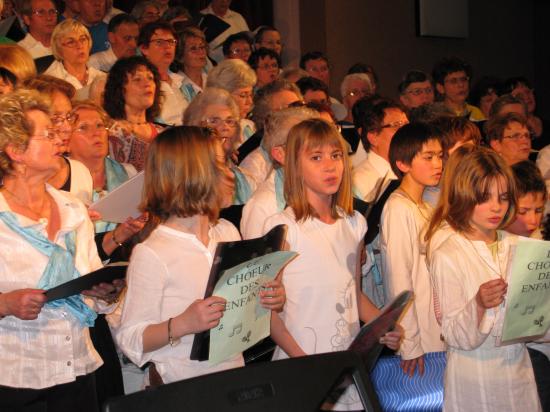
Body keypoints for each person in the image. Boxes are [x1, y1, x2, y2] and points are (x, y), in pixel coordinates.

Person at [116, 126, 284, 384]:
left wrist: (267, 299)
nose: (230, 173)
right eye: (219, 164)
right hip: (180, 386)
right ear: (191, 174)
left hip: (232, 377)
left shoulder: (227, 232)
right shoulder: (153, 252)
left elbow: (241, 315)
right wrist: (183, 323)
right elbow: (131, 338)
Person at [263, 118, 401, 411]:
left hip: (345, 366)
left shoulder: (354, 223)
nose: (330, 166)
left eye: (336, 155)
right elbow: (267, 315)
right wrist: (308, 366)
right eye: (316, 157)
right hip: (303, 364)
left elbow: (353, 293)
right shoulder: (283, 228)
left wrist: (383, 324)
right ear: (294, 165)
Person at [0, 88, 123, 411]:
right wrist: (5, 304)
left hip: (77, 367)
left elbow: (90, 283)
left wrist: (106, 292)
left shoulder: (73, 209)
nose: (61, 139)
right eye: (48, 134)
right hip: (15, 376)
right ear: (15, 150)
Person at [425, 147, 541, 411]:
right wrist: (478, 305)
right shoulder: (449, 253)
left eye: (502, 197)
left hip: (517, 372)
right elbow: (453, 333)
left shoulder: (518, 246)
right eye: (484, 198)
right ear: (464, 195)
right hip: (474, 375)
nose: (497, 207)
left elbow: (538, 328)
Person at [380, 123, 445, 376]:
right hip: (419, 336)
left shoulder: (426, 206)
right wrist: (409, 343)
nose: (437, 164)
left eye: (440, 156)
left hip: (436, 325)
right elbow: (399, 279)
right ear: (403, 164)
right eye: (428, 157)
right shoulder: (398, 208)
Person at [240, 106, 320, 239]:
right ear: (280, 154)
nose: (317, 151)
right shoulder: (262, 206)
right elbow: (260, 259)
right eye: (304, 144)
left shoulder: (322, 189)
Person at [183, 87, 255, 205]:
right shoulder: (187, 178)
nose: (225, 127)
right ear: (194, 127)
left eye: (230, 121)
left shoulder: (244, 178)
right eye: (214, 121)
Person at [104, 56, 163, 172]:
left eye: (150, 78)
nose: (147, 84)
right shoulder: (111, 132)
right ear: (120, 89)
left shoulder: (162, 133)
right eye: (137, 79)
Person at [239, 80, 303, 185]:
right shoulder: (254, 165)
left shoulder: (311, 150)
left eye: (300, 106)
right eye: (291, 108)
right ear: (267, 120)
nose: (300, 113)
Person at [138, 21, 187, 126]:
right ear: (144, 49)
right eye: (159, 42)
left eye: (171, 41)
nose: (167, 46)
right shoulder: (140, 84)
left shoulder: (182, 82)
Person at [45, 19, 106, 100]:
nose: (79, 46)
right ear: (59, 49)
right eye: (71, 42)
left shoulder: (101, 77)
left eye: (83, 39)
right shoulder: (50, 82)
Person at [206, 58, 257, 145]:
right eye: (243, 95)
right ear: (223, 96)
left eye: (250, 95)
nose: (250, 102)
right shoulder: (209, 133)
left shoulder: (248, 126)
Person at [432, 56, 485, 121]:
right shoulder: (435, 115)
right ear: (440, 88)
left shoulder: (476, 113)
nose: (461, 85)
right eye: (453, 81)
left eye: (463, 79)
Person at [502, 76, 548, 151]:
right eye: (519, 96)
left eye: (528, 92)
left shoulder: (547, 124)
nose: (526, 97)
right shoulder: (509, 131)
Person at [175, 26, 208, 104]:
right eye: (193, 48)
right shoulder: (177, 85)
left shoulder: (212, 80)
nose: (201, 52)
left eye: (202, 47)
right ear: (181, 57)